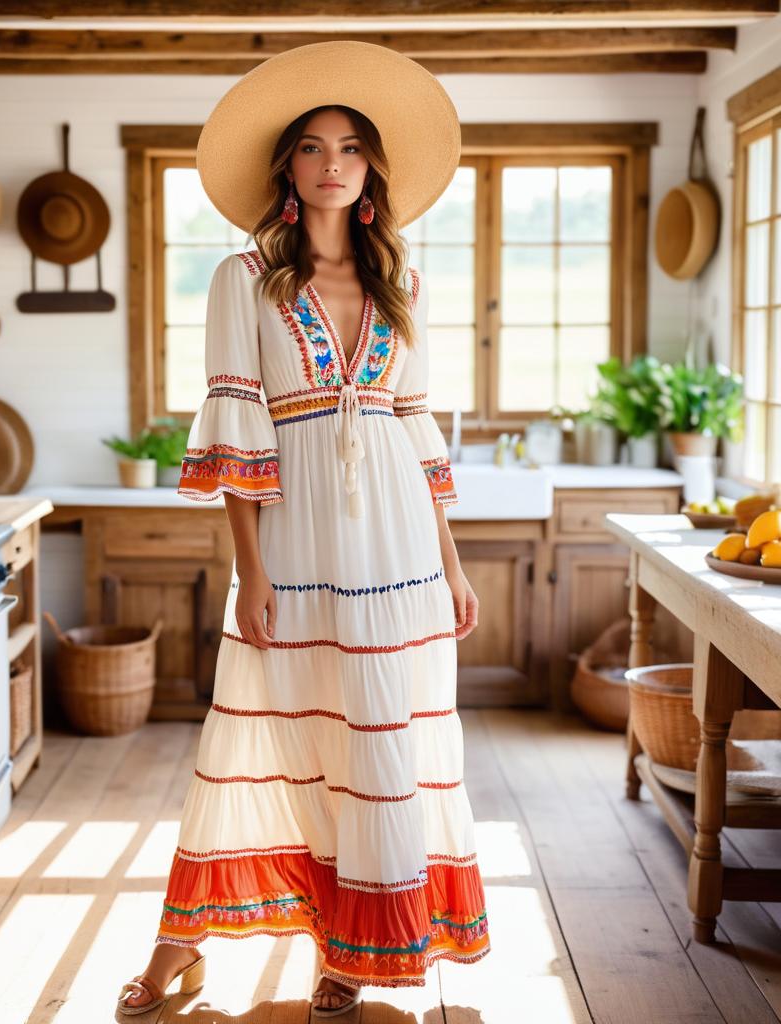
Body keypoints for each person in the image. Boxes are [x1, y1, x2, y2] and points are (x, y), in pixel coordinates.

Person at [117, 40, 489, 1018]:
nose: (332, 162)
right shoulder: (242, 280)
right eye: (312, 147)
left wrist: (451, 561)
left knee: (378, 745)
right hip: (294, 545)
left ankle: (350, 951)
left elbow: (416, 424)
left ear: (371, 171)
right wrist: (248, 568)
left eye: (351, 148)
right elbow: (239, 433)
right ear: (286, 167)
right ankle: (180, 945)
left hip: (400, 550)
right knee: (261, 732)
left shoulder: (403, 286)